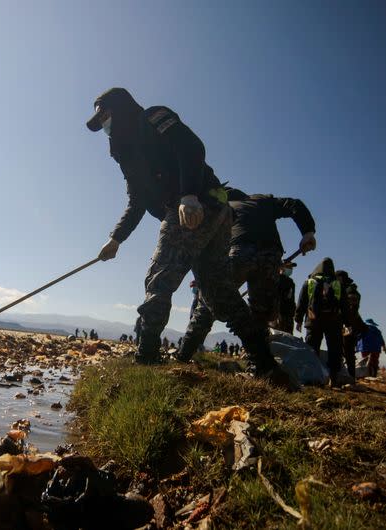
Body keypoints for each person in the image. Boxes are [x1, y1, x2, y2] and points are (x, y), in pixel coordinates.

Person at [87, 88, 292, 388]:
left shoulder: (153, 117)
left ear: (121, 108)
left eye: (106, 116)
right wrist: (116, 239)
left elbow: (191, 147)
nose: (105, 125)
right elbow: (137, 200)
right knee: (219, 293)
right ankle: (266, 365)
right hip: (206, 210)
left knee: (160, 276)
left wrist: (188, 194)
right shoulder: (125, 153)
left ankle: (146, 357)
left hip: (199, 205)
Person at [182, 189, 316, 348]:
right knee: (261, 315)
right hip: (270, 255)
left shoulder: (226, 205)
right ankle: (261, 363)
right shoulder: (264, 200)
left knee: (208, 304)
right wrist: (308, 232)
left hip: (240, 251)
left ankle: (185, 351)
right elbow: (294, 204)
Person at [295, 257, 347, 386]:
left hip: (313, 320)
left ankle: (312, 377)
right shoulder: (338, 284)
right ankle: (334, 378)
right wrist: (347, 323)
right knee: (335, 349)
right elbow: (344, 306)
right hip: (334, 321)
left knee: (312, 349)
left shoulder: (310, 282)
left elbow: (301, 302)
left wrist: (298, 320)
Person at [335, 270, 366, 379]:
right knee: (345, 350)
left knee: (347, 350)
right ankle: (347, 374)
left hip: (348, 326)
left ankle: (350, 375)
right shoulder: (347, 290)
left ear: (341, 279)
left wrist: (346, 325)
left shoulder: (349, 291)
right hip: (348, 325)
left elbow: (351, 311)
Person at [273, 263, 297, 333]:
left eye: (291, 268)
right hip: (279, 315)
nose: (291, 269)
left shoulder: (290, 282)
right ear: (282, 268)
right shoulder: (277, 280)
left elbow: (290, 299)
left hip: (287, 315)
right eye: (289, 267)